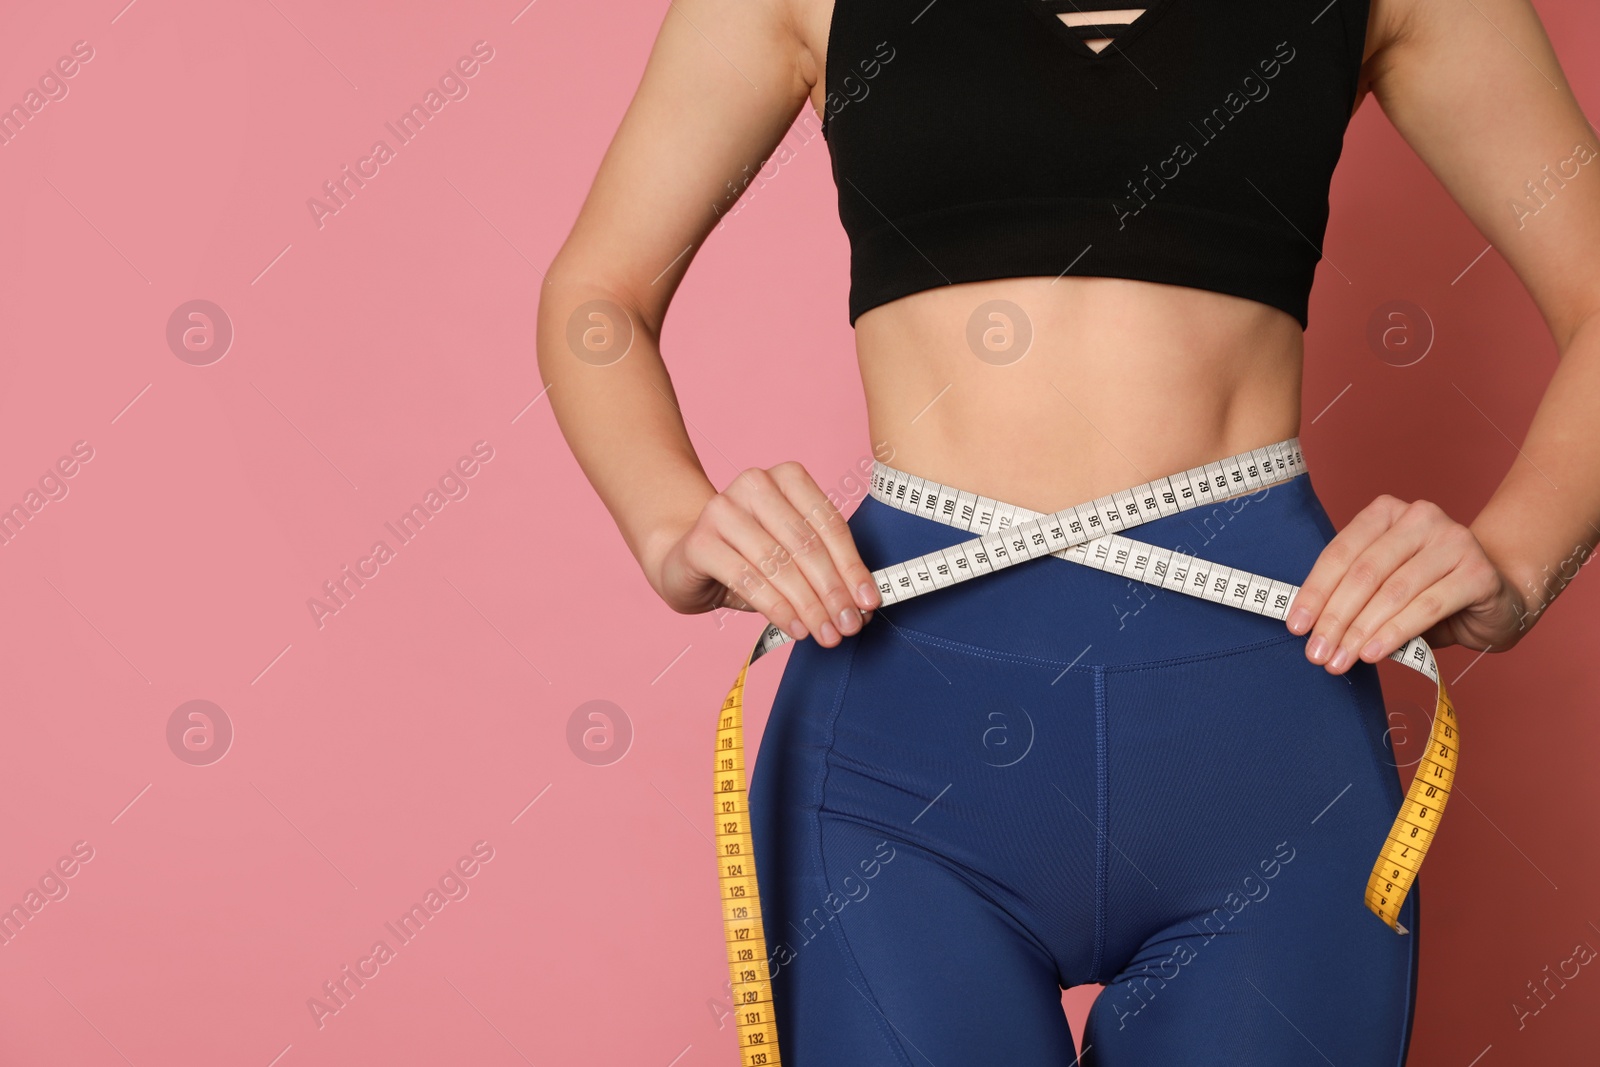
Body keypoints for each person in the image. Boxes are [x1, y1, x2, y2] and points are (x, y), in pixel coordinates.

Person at [537, 0, 1600, 1062]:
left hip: (1266, 743)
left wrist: (1515, 559)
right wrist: (670, 522)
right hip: (898, 756)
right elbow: (598, 295)